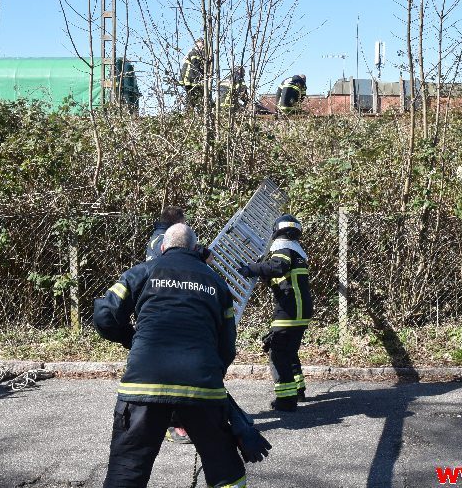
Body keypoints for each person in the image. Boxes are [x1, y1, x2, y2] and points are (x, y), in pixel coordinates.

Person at [94, 223, 269, 488]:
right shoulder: (216, 283)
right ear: (193, 248)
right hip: (202, 385)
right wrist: (211, 373)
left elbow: (105, 316)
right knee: (226, 470)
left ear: (162, 247)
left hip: (145, 381)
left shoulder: (142, 272)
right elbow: (227, 344)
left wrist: (133, 340)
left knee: (127, 470)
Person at [145, 206, 212, 444]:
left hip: (162, 309)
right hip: (167, 309)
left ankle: (181, 419)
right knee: (173, 370)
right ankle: (174, 423)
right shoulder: (163, 241)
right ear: (178, 223)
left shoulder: (156, 239)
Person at [237, 214, 313, 412]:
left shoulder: (283, 248)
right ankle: (298, 390)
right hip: (299, 310)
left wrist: (250, 269)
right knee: (289, 352)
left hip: (289, 310)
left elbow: (277, 267)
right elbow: (279, 276)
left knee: (278, 353)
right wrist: (262, 270)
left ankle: (286, 400)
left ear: (277, 231)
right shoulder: (297, 252)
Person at [179, 39, 206, 110]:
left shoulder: (197, 52)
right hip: (189, 77)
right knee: (192, 95)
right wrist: (204, 75)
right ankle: (189, 112)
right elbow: (195, 65)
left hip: (192, 77)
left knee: (195, 96)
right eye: (202, 43)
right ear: (197, 43)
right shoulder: (194, 52)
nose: (203, 45)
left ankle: (191, 111)